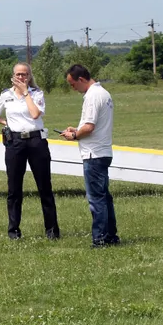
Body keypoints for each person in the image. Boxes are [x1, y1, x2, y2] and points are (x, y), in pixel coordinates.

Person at [0, 62, 60, 240]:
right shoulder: (6, 95)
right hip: (15, 143)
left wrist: (26, 92)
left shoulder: (37, 94)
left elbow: (35, 114)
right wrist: (8, 124)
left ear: (30, 76)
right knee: (14, 189)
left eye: (25, 74)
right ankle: (14, 231)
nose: (21, 77)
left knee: (44, 186)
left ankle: (52, 230)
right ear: (13, 76)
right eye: (18, 74)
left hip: (36, 141)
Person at [61, 64, 119, 248]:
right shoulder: (104, 93)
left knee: (96, 199)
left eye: (72, 84)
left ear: (81, 80)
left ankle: (100, 239)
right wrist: (76, 130)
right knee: (104, 197)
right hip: (103, 151)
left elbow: (89, 127)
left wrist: (74, 135)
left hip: (94, 154)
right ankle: (110, 235)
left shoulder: (92, 96)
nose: (73, 89)